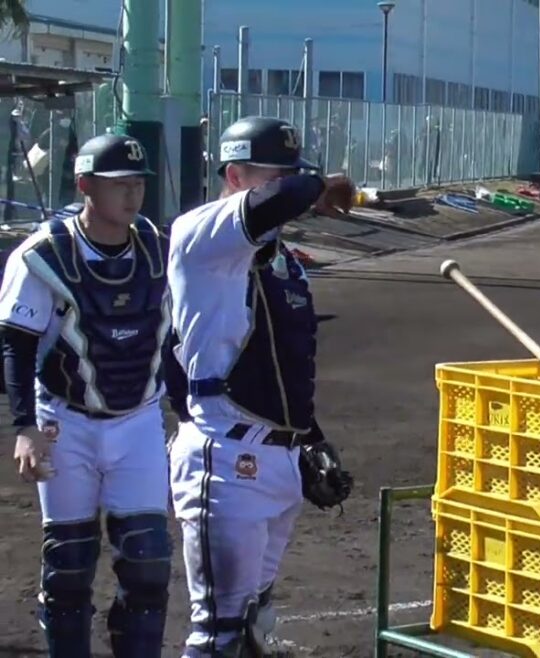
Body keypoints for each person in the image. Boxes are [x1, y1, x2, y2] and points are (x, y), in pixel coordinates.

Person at [165, 116, 354, 657]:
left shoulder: (285, 264)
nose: (288, 186)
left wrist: (309, 438)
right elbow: (284, 197)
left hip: (278, 460)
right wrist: (317, 185)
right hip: (225, 457)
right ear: (234, 175)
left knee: (255, 622)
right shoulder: (201, 235)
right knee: (218, 632)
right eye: (273, 175)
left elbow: (287, 362)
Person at [0, 133, 172, 657]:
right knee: (70, 565)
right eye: (118, 183)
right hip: (65, 423)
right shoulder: (44, 254)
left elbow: (176, 336)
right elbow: (16, 345)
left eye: (138, 183)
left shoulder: (159, 246)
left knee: (147, 563)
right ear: (84, 186)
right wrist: (25, 428)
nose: (132, 194)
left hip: (139, 419)